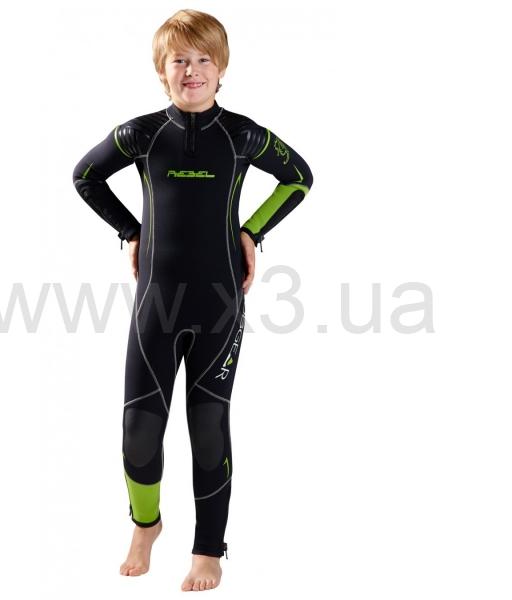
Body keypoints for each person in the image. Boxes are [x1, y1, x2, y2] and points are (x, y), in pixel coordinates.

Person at [72, 8, 313, 592]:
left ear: (222, 68)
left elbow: (299, 178)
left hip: (218, 304)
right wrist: (131, 231)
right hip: (155, 305)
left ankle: (208, 549)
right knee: (138, 431)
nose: (192, 70)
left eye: (204, 59)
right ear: (162, 70)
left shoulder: (243, 135)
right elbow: (85, 177)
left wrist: (252, 231)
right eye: (179, 60)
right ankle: (146, 525)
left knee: (207, 426)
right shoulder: (142, 134)